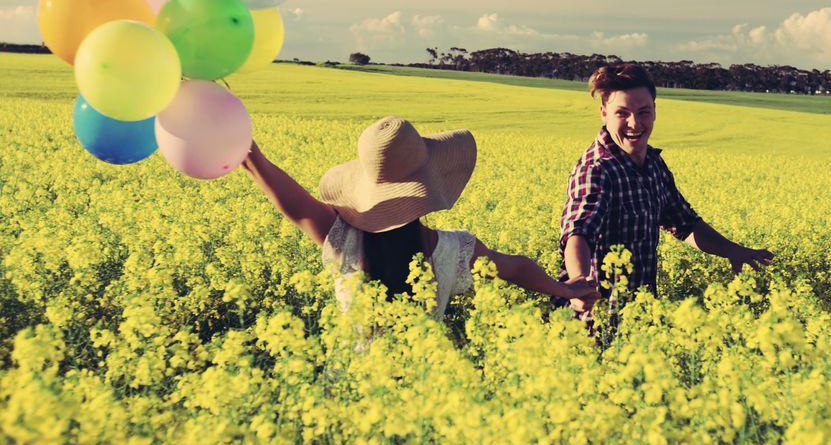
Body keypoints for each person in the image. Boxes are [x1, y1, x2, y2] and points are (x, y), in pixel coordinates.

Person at [242, 116, 598, 319]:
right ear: (428, 182)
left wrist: (250, 156)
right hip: (423, 388)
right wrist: (564, 289)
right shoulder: (451, 249)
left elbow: (294, 203)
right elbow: (517, 268)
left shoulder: (343, 241)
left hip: (355, 392)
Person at [560, 63, 774, 325]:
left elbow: (684, 222)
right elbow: (578, 232)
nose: (634, 123)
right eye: (622, 113)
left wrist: (732, 250)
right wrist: (579, 281)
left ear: (655, 112)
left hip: (640, 312)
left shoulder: (652, 163)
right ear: (603, 113)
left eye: (643, 112)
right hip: (596, 315)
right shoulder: (597, 169)